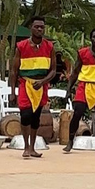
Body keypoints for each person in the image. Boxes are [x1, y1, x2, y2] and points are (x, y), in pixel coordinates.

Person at [9, 16, 56, 158]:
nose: (39, 29)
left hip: (41, 86)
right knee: (25, 115)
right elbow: (14, 71)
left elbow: (53, 70)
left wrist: (43, 82)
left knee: (36, 117)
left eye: (42, 27)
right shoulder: (21, 46)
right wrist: (13, 92)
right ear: (31, 28)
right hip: (25, 84)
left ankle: (32, 147)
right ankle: (26, 146)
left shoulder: (49, 47)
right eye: (37, 27)